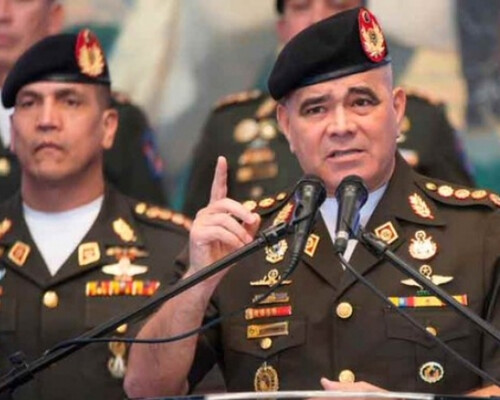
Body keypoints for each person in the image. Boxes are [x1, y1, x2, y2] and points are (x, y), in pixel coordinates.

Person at [125, 7, 500, 398]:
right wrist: (197, 284)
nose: (341, 126)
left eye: (361, 102)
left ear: (397, 109)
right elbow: (145, 388)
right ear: (287, 126)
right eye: (316, 109)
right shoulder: (242, 240)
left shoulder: (483, 232)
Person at [0, 30, 189, 399]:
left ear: (108, 127)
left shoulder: (172, 250)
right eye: (30, 103)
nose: (47, 120)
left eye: (70, 101)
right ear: (12, 129)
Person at [182, 0, 474, 218]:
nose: (319, 18)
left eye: (338, 5)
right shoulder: (229, 125)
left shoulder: (424, 120)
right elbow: (194, 242)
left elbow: (460, 229)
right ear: (281, 27)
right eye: (301, 6)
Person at [0, 0, 167, 205]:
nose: (2, 14)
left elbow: (147, 218)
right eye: (29, 103)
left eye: (20, 1)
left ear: (53, 18)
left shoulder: (118, 122)